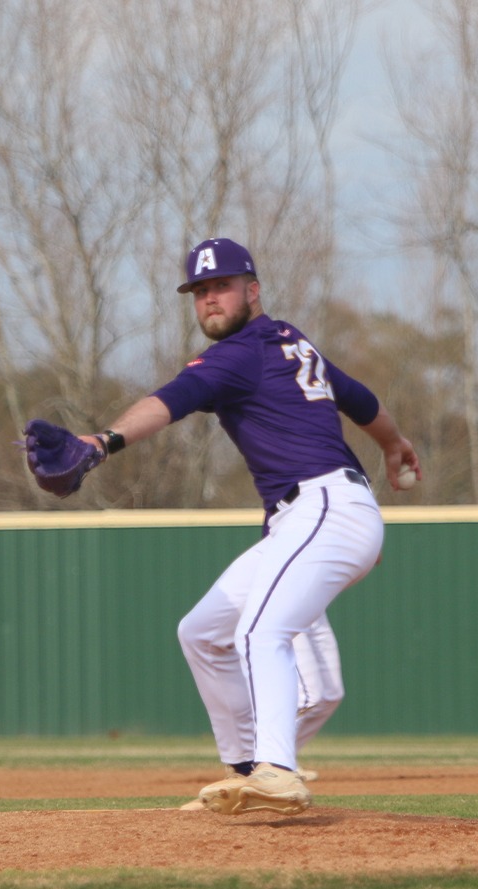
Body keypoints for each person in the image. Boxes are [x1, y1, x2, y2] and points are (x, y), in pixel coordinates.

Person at [68, 237, 419, 816]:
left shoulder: (241, 352)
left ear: (252, 291)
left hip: (324, 507)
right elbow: (357, 397)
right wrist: (393, 443)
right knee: (202, 631)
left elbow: (173, 399)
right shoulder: (290, 342)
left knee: (260, 631)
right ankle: (242, 774)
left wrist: (104, 443)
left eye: (221, 287)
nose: (210, 300)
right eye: (200, 291)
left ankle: (277, 771)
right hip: (316, 515)